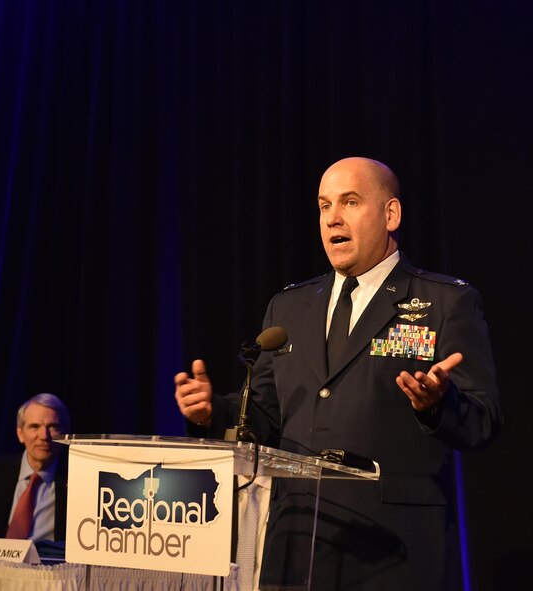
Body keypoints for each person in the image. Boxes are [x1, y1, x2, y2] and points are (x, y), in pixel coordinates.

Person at [174, 157, 502, 590]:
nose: (333, 218)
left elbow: (483, 421)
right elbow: (264, 415)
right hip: (298, 546)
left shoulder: (444, 302)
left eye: (350, 202)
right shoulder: (289, 307)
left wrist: (438, 405)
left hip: (395, 553)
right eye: (324, 206)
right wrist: (211, 412)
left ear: (391, 215)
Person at [0, 393, 70, 541]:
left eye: (53, 427)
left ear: (65, 434)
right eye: (34, 426)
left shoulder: (78, 483)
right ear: (20, 434)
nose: (44, 436)